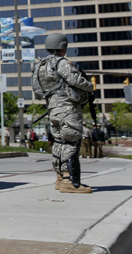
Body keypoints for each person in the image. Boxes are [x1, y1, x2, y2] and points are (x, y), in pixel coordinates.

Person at [32, 33, 94, 193]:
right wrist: (90, 86)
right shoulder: (62, 63)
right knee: (71, 142)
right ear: (63, 47)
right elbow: (75, 80)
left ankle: (60, 178)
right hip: (67, 108)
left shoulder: (40, 66)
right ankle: (69, 180)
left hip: (52, 109)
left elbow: (38, 91)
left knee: (59, 143)